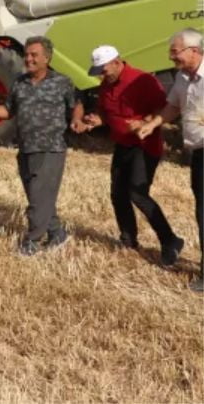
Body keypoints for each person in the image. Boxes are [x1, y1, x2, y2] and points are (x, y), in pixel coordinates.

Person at [72, 45, 184, 266]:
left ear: (117, 61)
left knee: (138, 194)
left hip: (145, 145)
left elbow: (165, 109)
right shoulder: (107, 85)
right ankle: (128, 239)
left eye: (103, 70)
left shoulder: (142, 81)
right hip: (122, 144)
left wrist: (144, 123)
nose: (101, 76)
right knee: (117, 193)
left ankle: (170, 240)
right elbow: (106, 112)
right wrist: (96, 121)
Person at [0, 36, 75, 254]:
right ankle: (57, 233)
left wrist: (79, 120)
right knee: (38, 196)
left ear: (47, 58)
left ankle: (32, 241)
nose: (28, 59)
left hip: (51, 148)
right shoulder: (19, 83)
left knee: (38, 198)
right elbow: (7, 112)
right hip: (26, 147)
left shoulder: (62, 82)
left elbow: (77, 106)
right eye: (27, 54)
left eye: (34, 55)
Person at [137, 28, 204, 291]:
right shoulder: (182, 78)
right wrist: (153, 123)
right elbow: (173, 107)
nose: (171, 57)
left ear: (194, 51)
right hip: (198, 153)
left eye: (175, 51)